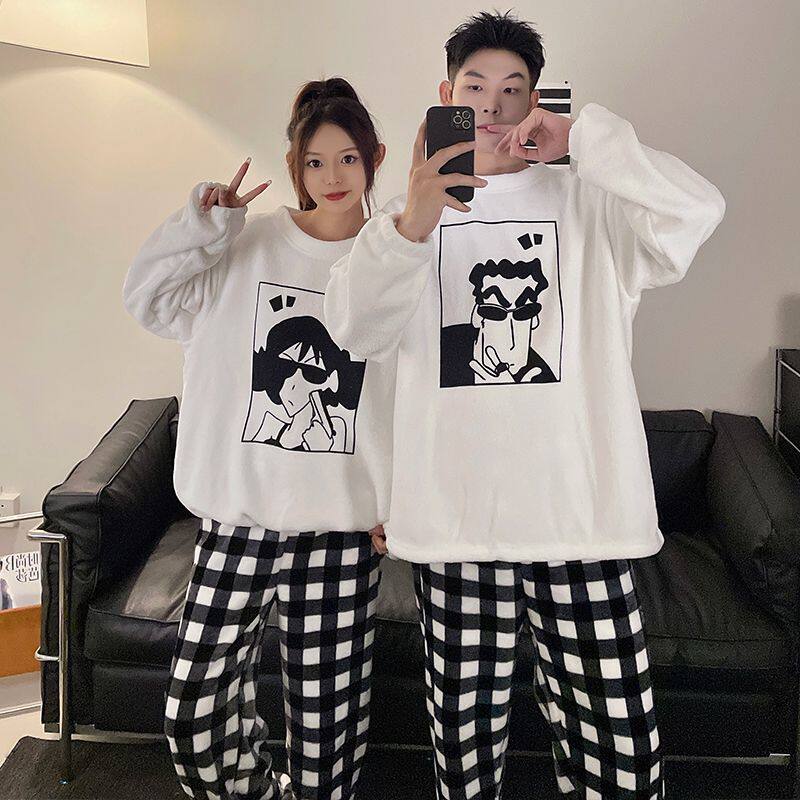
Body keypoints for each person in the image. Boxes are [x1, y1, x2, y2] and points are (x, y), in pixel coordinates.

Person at [325, 11, 725, 799]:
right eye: (475, 88)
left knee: (621, 758)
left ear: (537, 101)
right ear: (446, 97)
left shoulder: (592, 204)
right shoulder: (406, 219)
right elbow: (355, 333)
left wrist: (587, 140)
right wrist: (414, 219)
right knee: (465, 758)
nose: (494, 105)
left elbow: (697, 210)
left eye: (514, 90)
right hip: (456, 529)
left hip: (583, 523)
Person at [123, 77, 393, 800]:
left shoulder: (392, 259)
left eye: (347, 158)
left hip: (340, 529)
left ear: (375, 158)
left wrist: (400, 499)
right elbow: (149, 301)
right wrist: (203, 228)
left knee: (328, 738)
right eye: (314, 161)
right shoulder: (248, 243)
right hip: (238, 520)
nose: (331, 177)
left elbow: (413, 398)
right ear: (294, 164)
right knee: (193, 717)